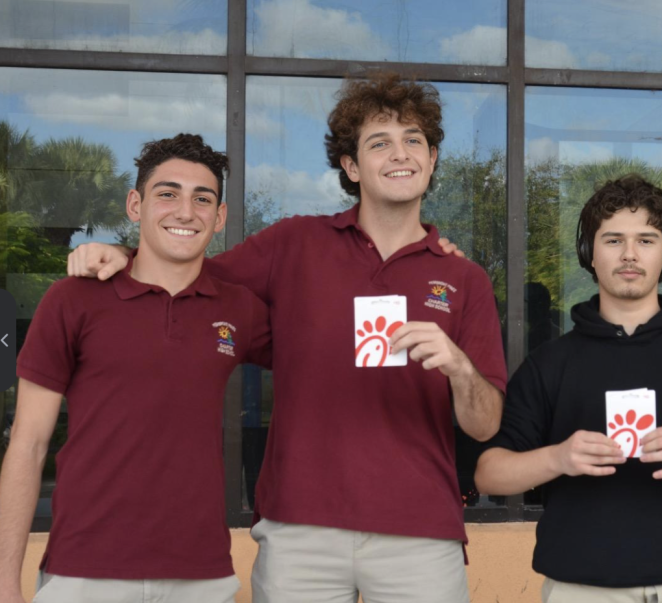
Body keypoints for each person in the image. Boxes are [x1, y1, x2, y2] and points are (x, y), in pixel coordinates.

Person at [65, 75, 507, 603]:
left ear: (432, 159)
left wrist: (459, 366)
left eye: (414, 140)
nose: (400, 154)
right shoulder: (295, 243)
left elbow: (485, 424)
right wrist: (127, 258)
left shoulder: (465, 280)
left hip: (421, 533)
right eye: (379, 142)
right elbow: (191, 276)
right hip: (300, 530)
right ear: (350, 166)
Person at [475, 175, 662, 603]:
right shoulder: (550, 363)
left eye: (646, 239)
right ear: (589, 253)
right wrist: (558, 457)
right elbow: (490, 471)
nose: (630, 255)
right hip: (579, 589)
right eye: (613, 240)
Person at [0, 135, 269, 603]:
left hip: (201, 575)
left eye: (202, 199)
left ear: (220, 217)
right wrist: (4, 584)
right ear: (135, 204)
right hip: (84, 572)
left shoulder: (239, 309)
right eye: (167, 194)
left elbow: (322, 349)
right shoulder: (72, 300)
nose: (185, 211)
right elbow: (28, 444)